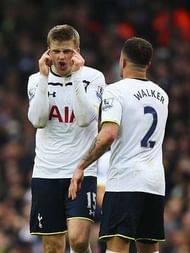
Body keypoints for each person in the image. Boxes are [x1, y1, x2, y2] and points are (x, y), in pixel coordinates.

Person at [69, 37, 169, 253]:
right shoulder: (162, 95)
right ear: (148, 64)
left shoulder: (115, 91)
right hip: (154, 184)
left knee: (117, 247)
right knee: (149, 249)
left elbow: (108, 135)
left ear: (122, 61)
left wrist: (81, 165)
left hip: (125, 181)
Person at [27, 24, 106, 253]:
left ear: (77, 51)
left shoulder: (93, 77)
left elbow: (84, 118)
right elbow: (38, 120)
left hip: (81, 171)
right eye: (57, 51)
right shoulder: (35, 80)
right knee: (52, 246)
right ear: (48, 52)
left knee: (79, 240)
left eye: (68, 51)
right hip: (46, 171)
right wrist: (44, 78)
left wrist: (76, 77)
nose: (62, 57)